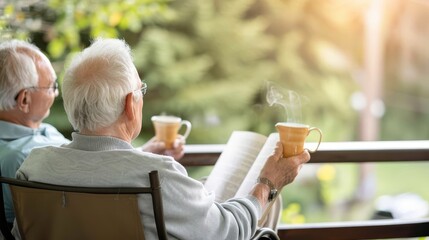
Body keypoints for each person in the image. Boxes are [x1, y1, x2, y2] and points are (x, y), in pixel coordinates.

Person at [15, 38, 310, 239]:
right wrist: (269, 183)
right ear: (132, 104)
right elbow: (228, 233)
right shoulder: (156, 176)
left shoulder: (34, 167)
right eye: (140, 91)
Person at [0, 40, 184, 225]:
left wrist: (143, 155)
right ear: (24, 99)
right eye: (51, 87)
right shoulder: (27, 159)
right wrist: (147, 162)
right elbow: (93, 180)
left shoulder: (41, 139)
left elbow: (92, 164)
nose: (56, 94)